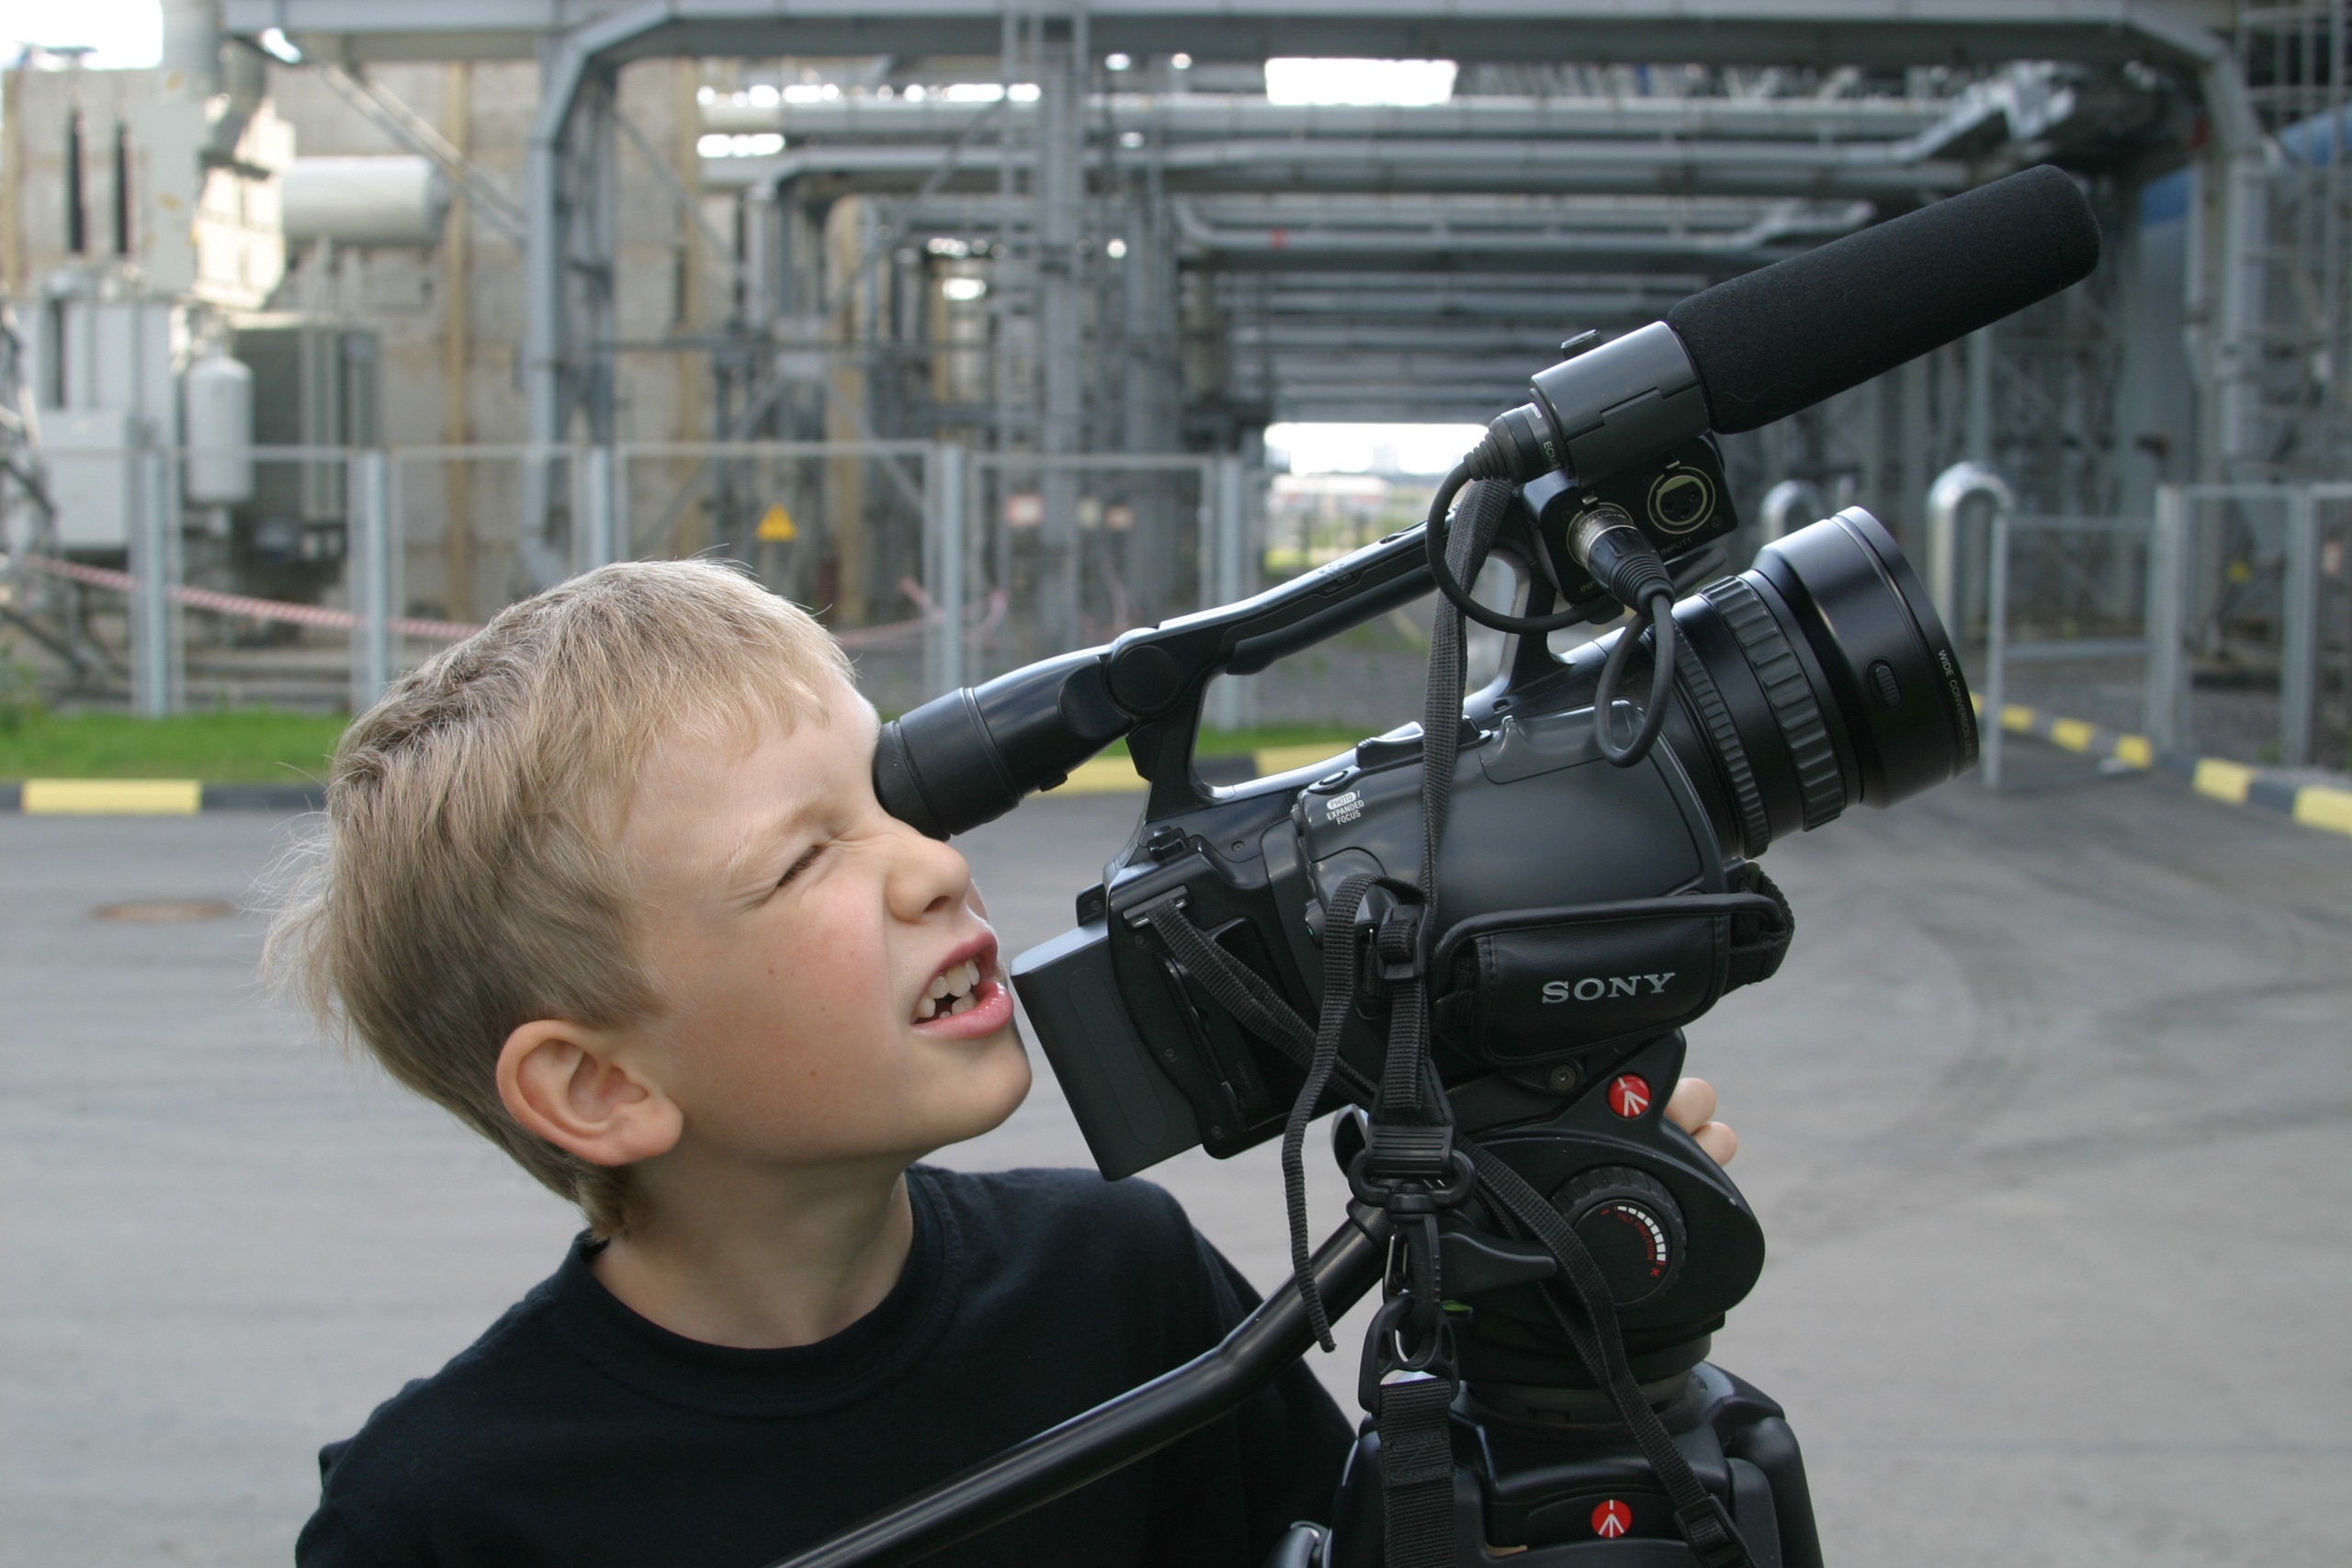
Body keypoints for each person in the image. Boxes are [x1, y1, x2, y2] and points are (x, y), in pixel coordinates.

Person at [270, 559, 1739, 1568]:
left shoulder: (1123, 1285)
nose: (932, 866)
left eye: (894, 798)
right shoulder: (443, 1515)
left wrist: (1557, 1317)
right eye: (804, 861)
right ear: (602, 1088)